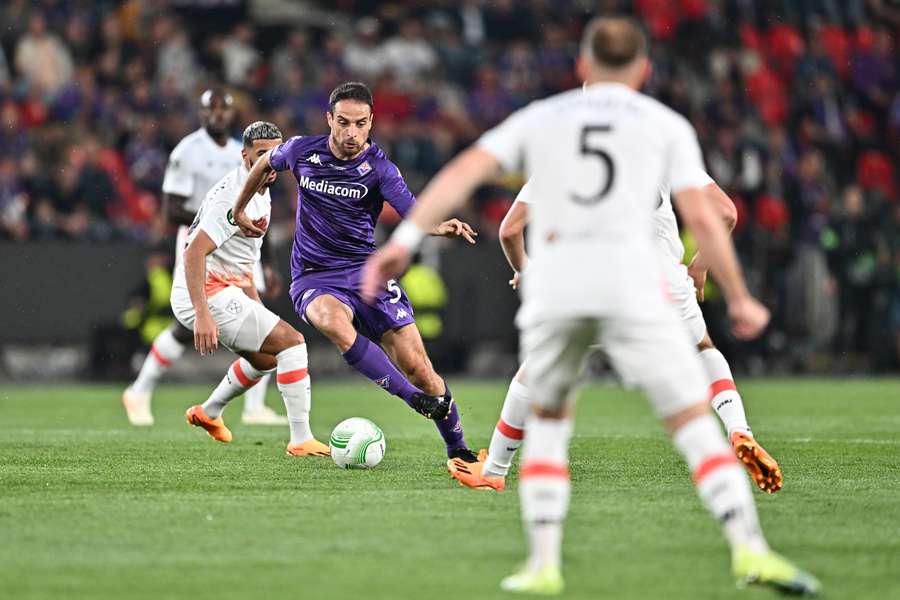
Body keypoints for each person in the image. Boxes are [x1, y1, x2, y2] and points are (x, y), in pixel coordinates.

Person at [362, 17, 819, 597]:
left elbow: (466, 175)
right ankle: (752, 549)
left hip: (561, 287)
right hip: (636, 286)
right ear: (644, 70)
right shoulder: (663, 126)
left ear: (581, 66)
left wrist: (401, 245)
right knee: (687, 420)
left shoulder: (546, 119)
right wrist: (740, 294)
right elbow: (709, 215)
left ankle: (542, 563)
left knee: (549, 421)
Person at [448, 176, 783, 495]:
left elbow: (509, 230)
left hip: (588, 282)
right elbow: (726, 213)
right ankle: (739, 429)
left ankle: (494, 470)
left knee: (536, 368)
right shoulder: (659, 138)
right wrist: (700, 267)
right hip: (659, 277)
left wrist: (524, 270)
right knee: (702, 348)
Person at [231, 81, 484, 466]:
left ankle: (459, 449)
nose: (351, 133)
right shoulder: (302, 150)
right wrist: (240, 208)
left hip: (367, 273)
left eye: (360, 124)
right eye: (344, 123)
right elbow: (266, 162)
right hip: (315, 275)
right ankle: (410, 398)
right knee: (330, 320)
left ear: (371, 124)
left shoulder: (380, 169)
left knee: (420, 369)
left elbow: (412, 211)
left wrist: (438, 225)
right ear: (329, 119)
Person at [122, 88, 284, 426]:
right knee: (188, 325)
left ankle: (254, 407)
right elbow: (170, 209)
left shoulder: (252, 148)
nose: (219, 115)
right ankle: (141, 389)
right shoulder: (188, 151)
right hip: (205, 243)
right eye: (213, 110)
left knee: (261, 320)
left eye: (225, 109)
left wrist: (266, 262)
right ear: (202, 113)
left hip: (242, 245)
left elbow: (258, 209)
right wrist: (219, 217)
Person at [172, 121, 329, 457]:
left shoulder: (261, 188)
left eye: (275, 153)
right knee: (293, 343)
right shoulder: (233, 197)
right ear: (244, 155)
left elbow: (240, 261)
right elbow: (193, 252)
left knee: (267, 358)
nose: (269, 160)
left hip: (225, 285)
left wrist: (256, 305)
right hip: (203, 290)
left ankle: (208, 413)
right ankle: (301, 439)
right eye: (261, 154)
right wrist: (202, 314)